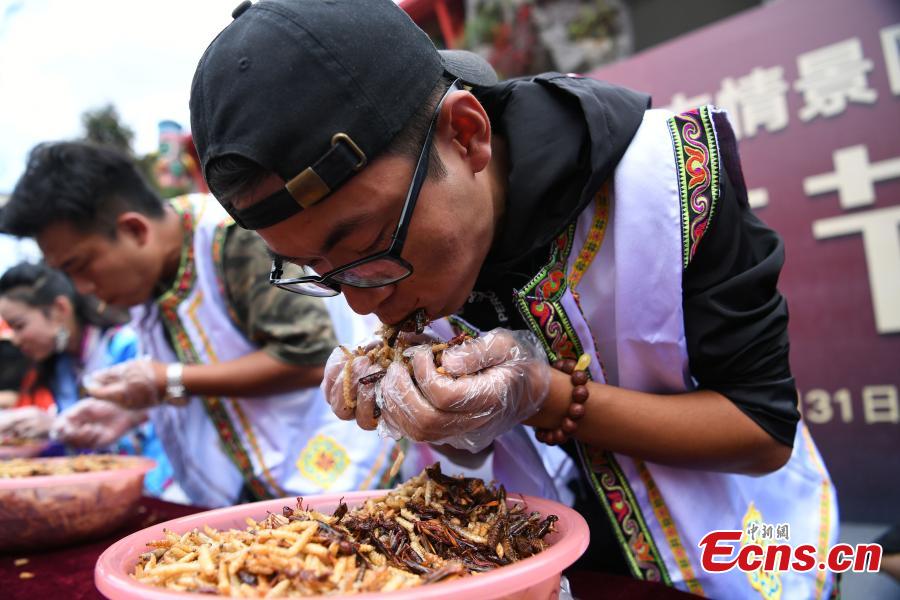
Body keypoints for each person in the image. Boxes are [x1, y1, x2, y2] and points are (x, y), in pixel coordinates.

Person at [185, 1, 838, 596]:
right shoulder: (408, 249)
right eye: (316, 270)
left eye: (365, 246)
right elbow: (483, 460)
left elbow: (762, 433)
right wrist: (441, 419)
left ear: (467, 134)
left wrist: (541, 396)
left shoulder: (671, 177)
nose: (360, 305)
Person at [2, 141, 397, 508]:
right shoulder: (147, 280)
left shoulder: (233, 236)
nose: (83, 289)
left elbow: (309, 358)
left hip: (328, 481)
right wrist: (133, 412)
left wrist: (167, 380)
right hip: (244, 493)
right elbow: (205, 368)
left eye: (81, 266)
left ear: (135, 230)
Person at [0, 262, 174, 495]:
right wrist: (47, 431)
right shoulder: (61, 366)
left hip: (157, 488)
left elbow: (165, 420)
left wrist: (54, 425)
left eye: (19, 325)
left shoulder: (127, 347)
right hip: (103, 492)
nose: (15, 338)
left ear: (60, 309)